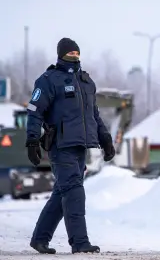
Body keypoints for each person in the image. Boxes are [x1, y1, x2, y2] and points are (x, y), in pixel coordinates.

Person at [25, 38, 116, 254]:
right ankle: (80, 242)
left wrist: (106, 139)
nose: (74, 56)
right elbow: (34, 111)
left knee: (62, 193)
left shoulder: (86, 81)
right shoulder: (48, 80)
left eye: (77, 52)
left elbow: (94, 115)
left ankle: (39, 239)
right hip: (60, 146)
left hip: (79, 148)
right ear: (60, 54)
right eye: (70, 52)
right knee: (74, 191)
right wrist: (31, 140)